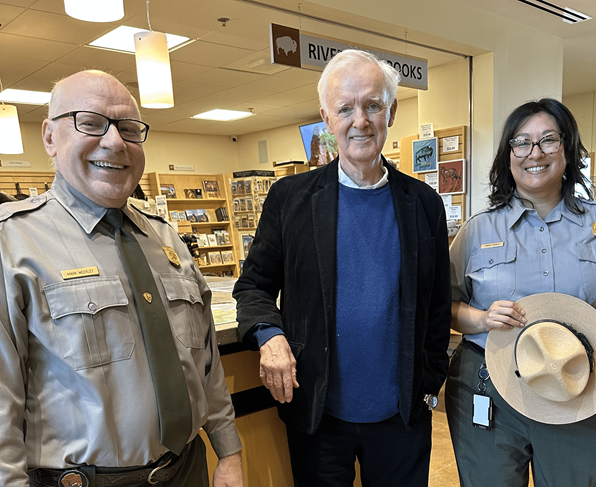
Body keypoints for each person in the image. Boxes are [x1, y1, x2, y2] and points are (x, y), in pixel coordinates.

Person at [0, 70, 244, 487]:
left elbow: (205, 361)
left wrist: (229, 451)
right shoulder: (13, 243)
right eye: (90, 123)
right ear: (49, 137)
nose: (114, 142)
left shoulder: (165, 236)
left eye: (129, 129)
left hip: (188, 470)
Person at [233, 49, 451, 487]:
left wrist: (429, 383)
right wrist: (269, 336)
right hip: (318, 412)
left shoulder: (423, 203)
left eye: (372, 105)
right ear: (326, 118)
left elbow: (437, 305)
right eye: (346, 108)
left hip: (401, 416)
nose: (361, 120)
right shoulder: (290, 199)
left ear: (391, 111)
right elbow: (253, 286)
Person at [447, 98, 596, 486]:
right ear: (508, 155)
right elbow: (444, 305)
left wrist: (593, 350)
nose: (534, 153)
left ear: (568, 149)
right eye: (521, 143)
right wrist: (481, 318)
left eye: (548, 140)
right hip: (488, 383)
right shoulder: (477, 231)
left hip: (576, 384)